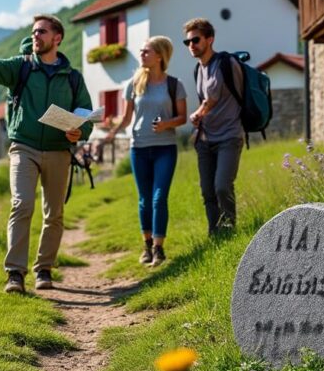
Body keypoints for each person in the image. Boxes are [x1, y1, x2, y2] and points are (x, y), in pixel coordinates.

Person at [0, 15, 93, 294]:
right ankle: (15, 274)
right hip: (24, 146)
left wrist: (80, 132)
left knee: (54, 213)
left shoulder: (73, 78)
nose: (36, 36)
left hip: (59, 151)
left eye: (42, 32)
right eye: (34, 31)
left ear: (57, 38)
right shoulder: (21, 68)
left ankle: (44, 268)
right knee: (22, 204)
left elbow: (85, 113)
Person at [103, 36, 187, 266]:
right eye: (141, 51)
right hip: (138, 147)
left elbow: (183, 117)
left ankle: (159, 248)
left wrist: (166, 125)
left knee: (159, 198)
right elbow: (127, 117)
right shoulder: (133, 84)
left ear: (160, 55)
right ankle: (147, 246)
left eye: (146, 51)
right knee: (144, 200)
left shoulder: (174, 85)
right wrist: (111, 133)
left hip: (165, 148)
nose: (141, 54)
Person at [184, 17, 244, 236]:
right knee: (207, 191)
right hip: (205, 139)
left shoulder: (226, 63)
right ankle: (214, 233)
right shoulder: (197, 69)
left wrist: (198, 113)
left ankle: (229, 229)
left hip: (229, 135)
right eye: (187, 42)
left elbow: (213, 97)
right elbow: (205, 99)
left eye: (195, 39)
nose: (191, 45)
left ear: (210, 39)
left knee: (222, 186)